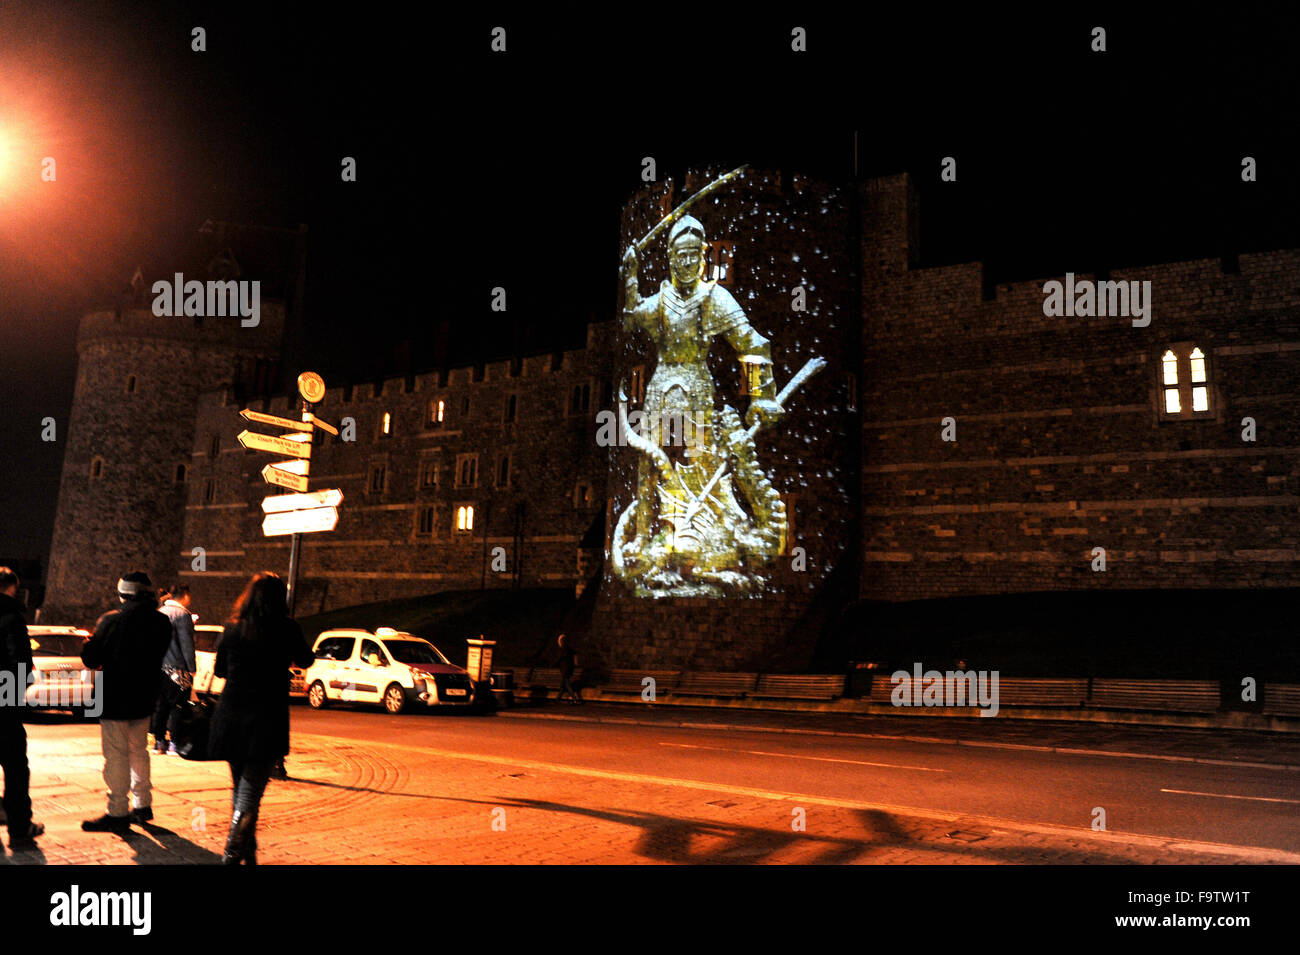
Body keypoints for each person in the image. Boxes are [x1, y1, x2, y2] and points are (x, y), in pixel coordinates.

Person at [207, 572, 313, 864]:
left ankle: (247, 854)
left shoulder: (232, 628)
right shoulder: (287, 628)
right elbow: (306, 660)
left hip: (231, 715)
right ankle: (232, 851)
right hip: (267, 718)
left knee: (241, 787)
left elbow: (220, 671)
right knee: (250, 791)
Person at [80, 571, 173, 833]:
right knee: (139, 751)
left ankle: (118, 810)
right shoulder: (161, 623)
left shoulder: (111, 621)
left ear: (124, 594)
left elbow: (91, 659)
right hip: (144, 697)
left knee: (116, 756)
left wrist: (90, 644)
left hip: (113, 699)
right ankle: (143, 805)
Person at [0, 567, 43, 851]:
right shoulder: (12, 616)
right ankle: (19, 827)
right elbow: (21, 664)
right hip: (4, 707)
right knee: (15, 768)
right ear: (12, 587)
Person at [151, 584, 196, 755]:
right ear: (185, 595)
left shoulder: (159, 612)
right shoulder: (183, 614)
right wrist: (192, 668)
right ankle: (175, 743)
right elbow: (186, 644)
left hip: (159, 668)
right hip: (177, 669)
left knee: (161, 706)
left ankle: (159, 742)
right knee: (178, 706)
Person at [556, 634, 581, 704]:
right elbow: (575, 656)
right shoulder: (570, 649)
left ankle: (574, 698)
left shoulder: (562, 650)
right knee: (564, 685)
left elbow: (559, 659)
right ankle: (557, 699)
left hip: (564, 669)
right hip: (570, 669)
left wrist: (553, 665)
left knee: (567, 684)